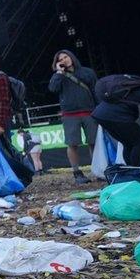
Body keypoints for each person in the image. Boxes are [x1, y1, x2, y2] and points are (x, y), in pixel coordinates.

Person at [48, 50, 97, 184]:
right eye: (60, 59)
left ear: (71, 57)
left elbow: (95, 90)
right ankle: (77, 172)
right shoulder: (58, 76)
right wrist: (59, 73)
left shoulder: (87, 72)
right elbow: (52, 89)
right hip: (70, 114)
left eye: (66, 57)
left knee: (94, 142)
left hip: (89, 111)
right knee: (72, 144)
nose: (64, 60)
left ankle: (98, 169)